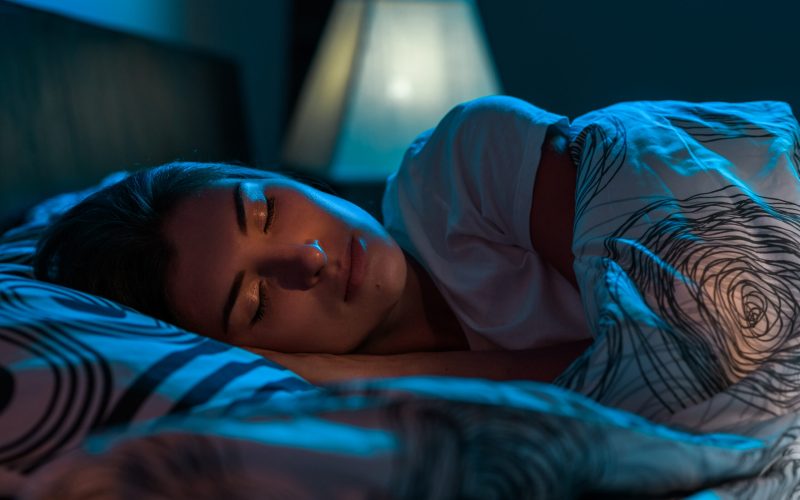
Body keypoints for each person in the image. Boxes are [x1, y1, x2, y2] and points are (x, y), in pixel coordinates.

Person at [33, 96, 594, 384]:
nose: (308, 259)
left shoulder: (460, 169)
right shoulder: (362, 425)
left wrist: (354, 370)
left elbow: (664, 359)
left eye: (267, 209)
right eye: (257, 303)